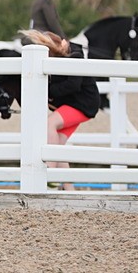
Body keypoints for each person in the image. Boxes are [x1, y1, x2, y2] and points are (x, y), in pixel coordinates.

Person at [21, 28, 100, 190]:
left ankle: (50, 175)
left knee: (49, 124)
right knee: (58, 145)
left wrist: (47, 93)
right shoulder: (65, 57)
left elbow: (73, 85)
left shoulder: (75, 57)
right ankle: (69, 189)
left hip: (83, 104)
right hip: (78, 104)